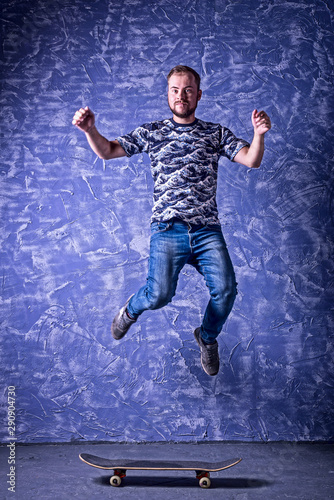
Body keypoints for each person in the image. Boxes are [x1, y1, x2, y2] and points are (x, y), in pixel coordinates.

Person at [72, 65, 271, 376]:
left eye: (188, 90)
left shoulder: (214, 133)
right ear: (168, 94)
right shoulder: (153, 131)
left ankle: (206, 337)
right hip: (168, 230)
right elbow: (108, 151)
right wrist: (89, 130)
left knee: (227, 289)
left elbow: (251, 159)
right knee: (159, 295)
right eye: (175, 90)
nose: (181, 95)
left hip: (207, 231)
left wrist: (258, 135)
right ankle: (131, 309)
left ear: (198, 95)